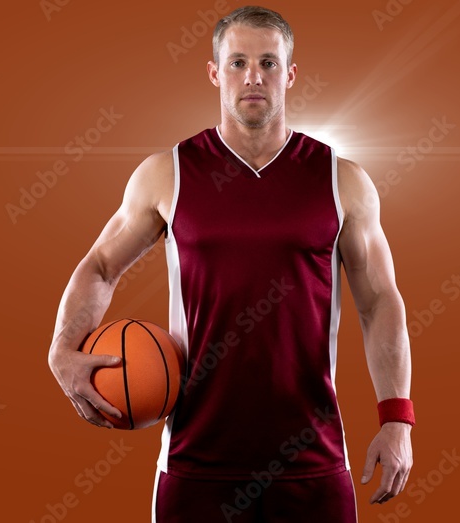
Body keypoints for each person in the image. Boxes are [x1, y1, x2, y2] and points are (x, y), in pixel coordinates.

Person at [47, 6, 414, 522]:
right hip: (195, 463)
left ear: (289, 73)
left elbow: (379, 304)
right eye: (238, 62)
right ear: (215, 73)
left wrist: (397, 418)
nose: (254, 76)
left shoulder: (340, 179)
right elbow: (101, 266)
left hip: (312, 462)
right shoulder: (168, 174)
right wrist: (62, 351)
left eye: (268, 62)